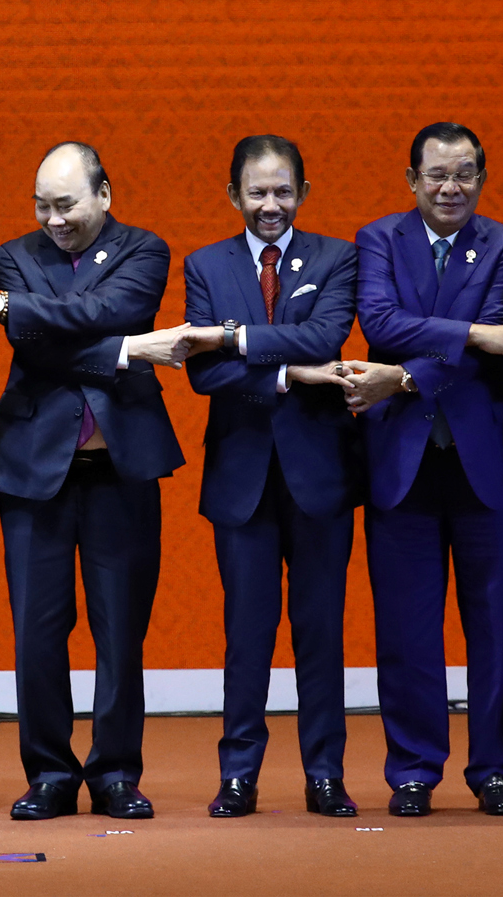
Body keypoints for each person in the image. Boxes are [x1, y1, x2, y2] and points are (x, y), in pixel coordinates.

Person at [0, 142, 192, 822]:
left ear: (104, 194)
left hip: (120, 466)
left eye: (65, 204)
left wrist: (24, 311)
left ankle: (117, 772)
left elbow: (98, 314)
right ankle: (48, 773)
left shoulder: (145, 249)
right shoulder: (13, 254)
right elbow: (32, 342)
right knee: (37, 632)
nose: (52, 219)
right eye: (41, 204)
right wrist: (127, 349)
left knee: (119, 630)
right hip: (33, 467)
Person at [182, 135, 388, 820]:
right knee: (245, 633)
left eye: (281, 191)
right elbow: (201, 372)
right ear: (232, 193)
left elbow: (325, 334)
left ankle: (323, 772)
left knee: (319, 630)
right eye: (256, 191)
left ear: (301, 190)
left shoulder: (335, 256)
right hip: (240, 477)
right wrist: (287, 371)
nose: (269, 204)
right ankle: (237, 773)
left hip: (319, 473)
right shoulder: (204, 264)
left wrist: (236, 338)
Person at [353, 123, 503, 818]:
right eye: (436, 174)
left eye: (463, 174)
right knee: (406, 627)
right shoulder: (377, 239)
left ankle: (493, 768)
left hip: (484, 458)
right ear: (410, 179)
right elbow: (379, 318)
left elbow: (497, 336)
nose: (449, 187)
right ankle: (413, 767)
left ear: (480, 180)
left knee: (494, 625)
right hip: (400, 461)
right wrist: (470, 336)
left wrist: (400, 379)